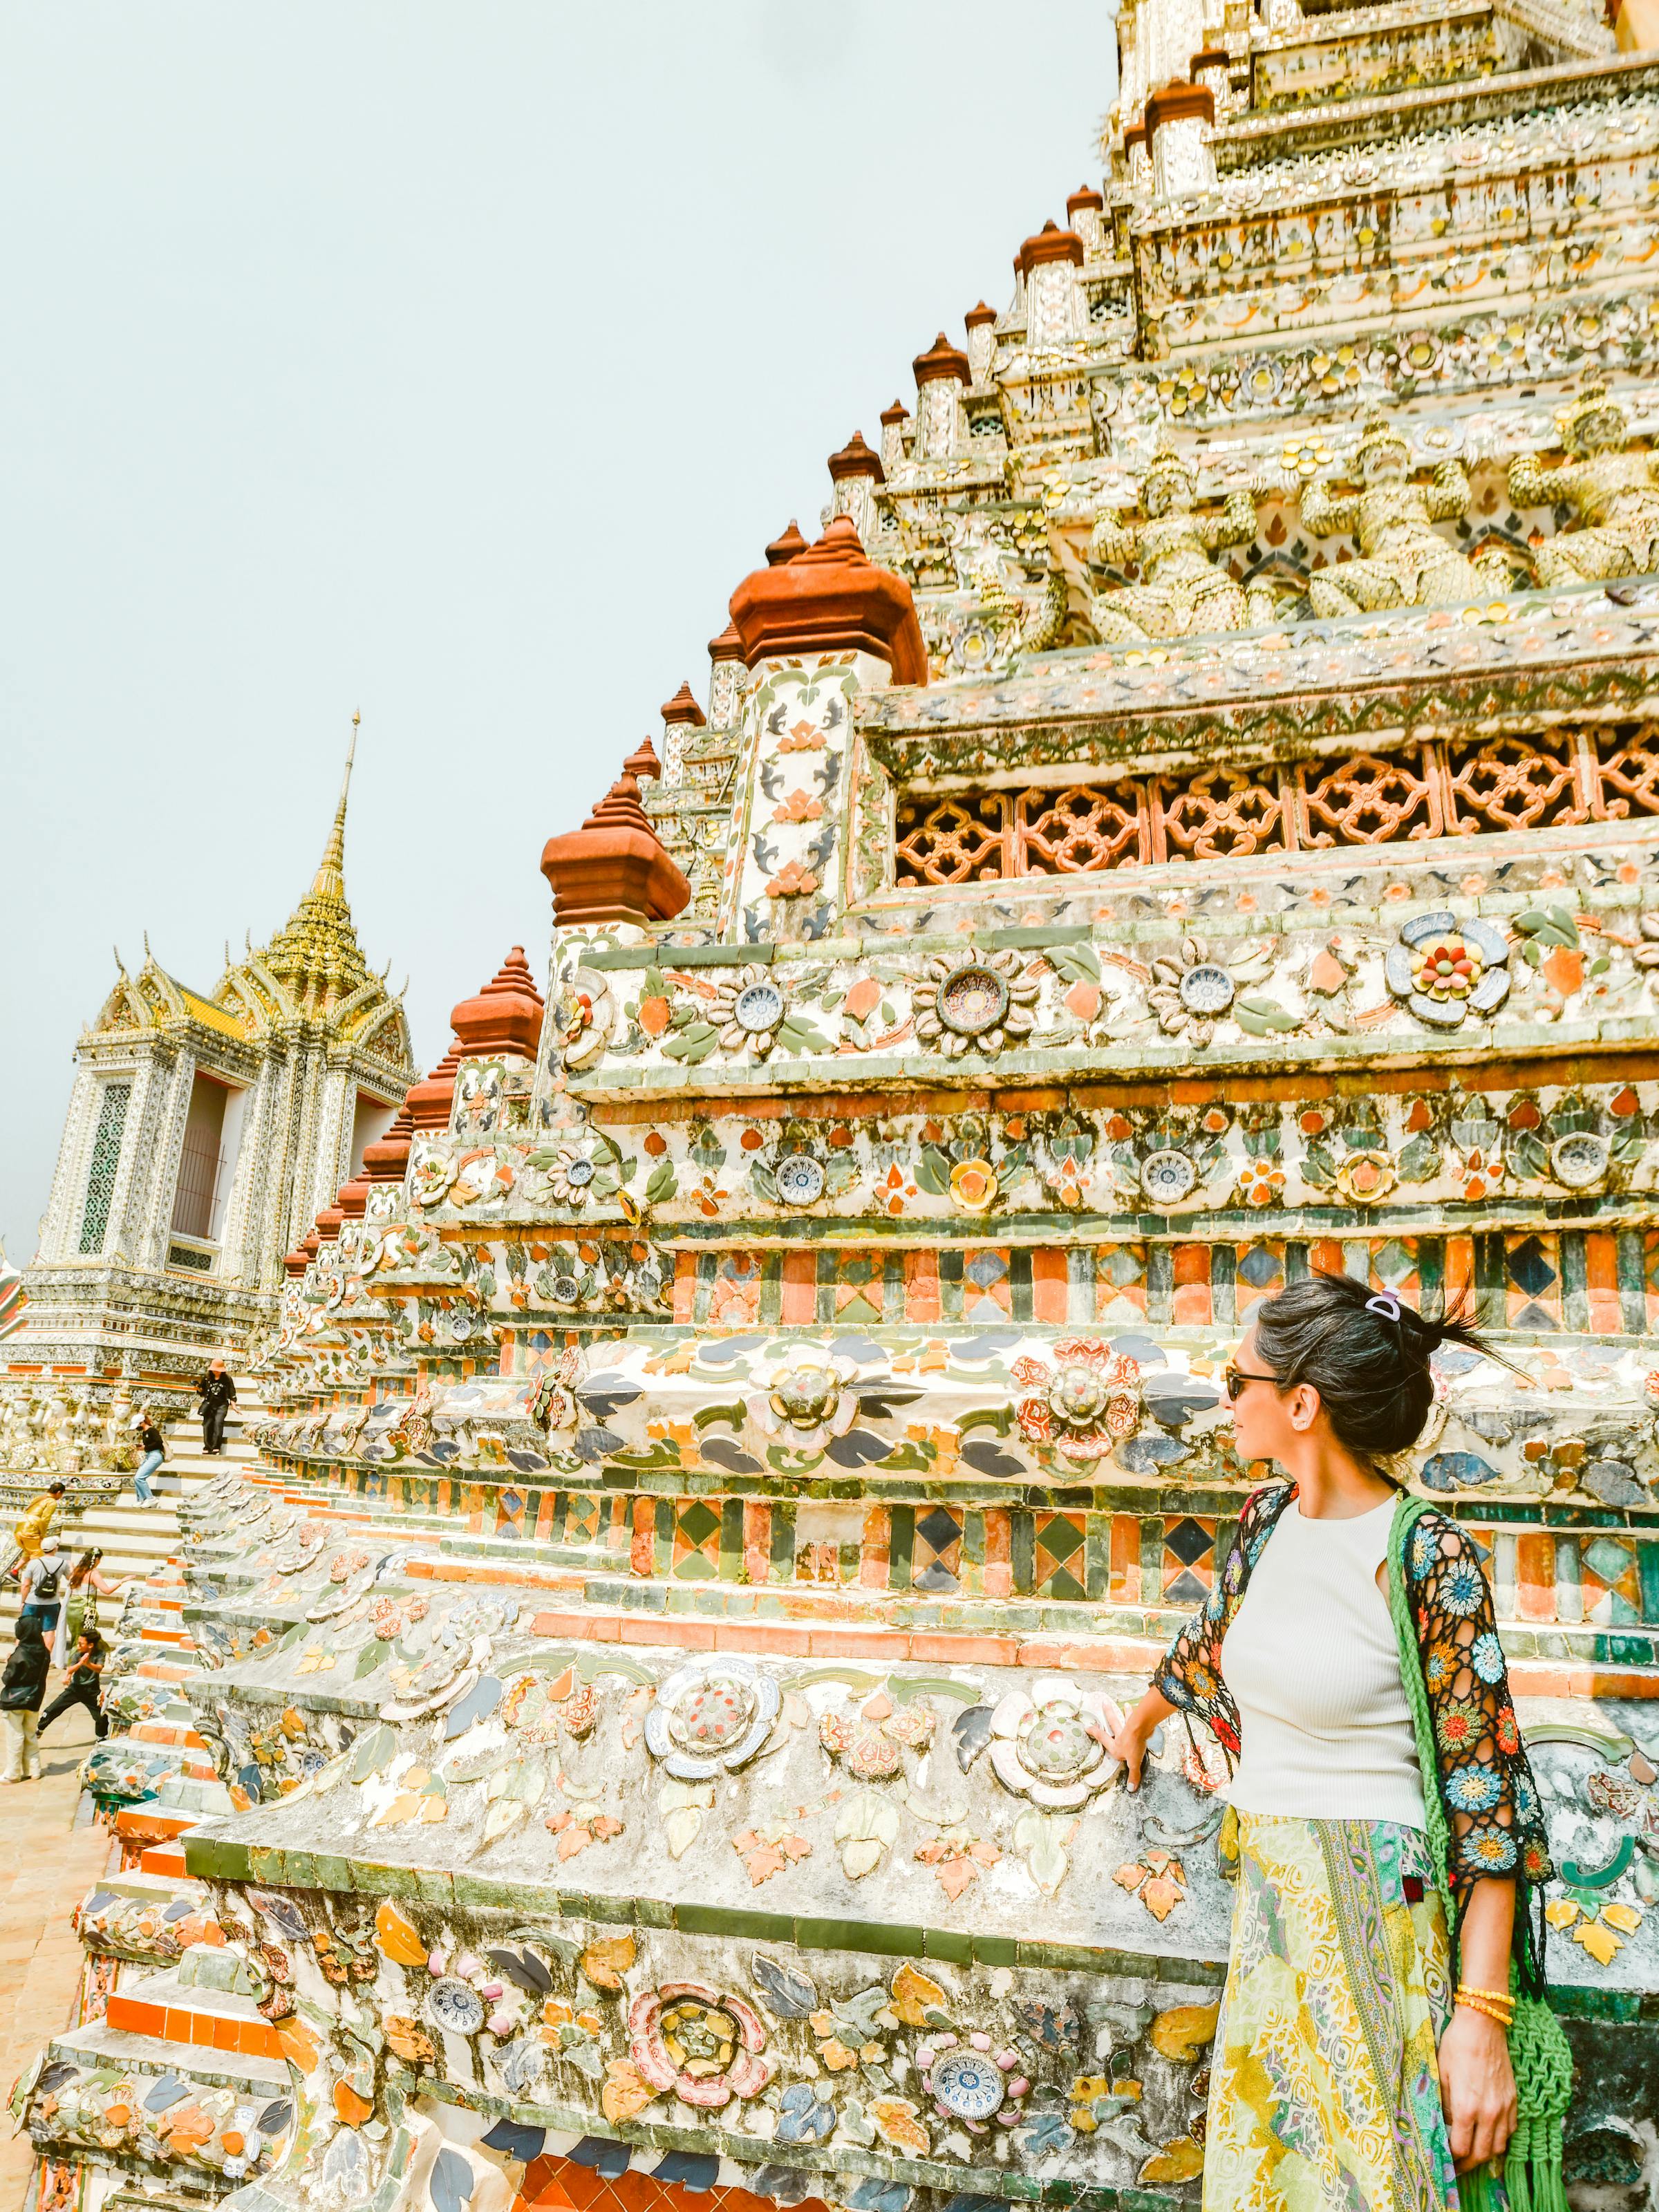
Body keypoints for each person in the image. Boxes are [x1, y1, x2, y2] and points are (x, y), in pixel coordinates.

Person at [1105, 1273, 1569, 2212]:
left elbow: (1488, 1796)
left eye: (1238, 1382)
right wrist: (1142, 1719)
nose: (1224, 1400)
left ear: (1302, 1404)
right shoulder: (1265, 1522)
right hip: (1272, 1915)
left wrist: (1480, 2022)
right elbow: (1214, 1643)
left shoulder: (1426, 1555)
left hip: (1382, 1919)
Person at [50, 1548, 129, 1669]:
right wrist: (121, 1582)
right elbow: (107, 1590)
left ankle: (78, 1665)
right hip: (85, 1610)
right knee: (82, 1640)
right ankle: (75, 1667)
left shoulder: (77, 1571)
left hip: (72, 1609)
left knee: (76, 1638)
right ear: (96, 1560)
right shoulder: (93, 1574)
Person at [0, 1615, 50, 1783]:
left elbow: (8, 1678)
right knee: (30, 1734)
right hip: (35, 1698)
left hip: (16, 1700)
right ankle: (34, 1770)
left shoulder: (20, 1652)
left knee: (15, 1736)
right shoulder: (44, 1652)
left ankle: (13, 1773)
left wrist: (9, 1662)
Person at [37, 1629, 108, 1743]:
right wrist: (80, 1664)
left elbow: (99, 1669)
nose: (78, 1645)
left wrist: (88, 1664)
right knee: (53, 1709)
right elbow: (70, 1669)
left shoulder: (99, 1654)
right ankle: (40, 1728)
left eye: (81, 1643)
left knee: (101, 1716)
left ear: (90, 1645)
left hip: (92, 1691)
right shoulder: (77, 1653)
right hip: (75, 1689)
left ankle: (101, 1737)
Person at [17, 1535, 67, 1640]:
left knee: (24, 1629)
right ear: (55, 1548)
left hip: (32, 1601)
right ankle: (47, 1655)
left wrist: (23, 1601)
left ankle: (20, 1654)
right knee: (49, 1631)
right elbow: (71, 1579)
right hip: (52, 1602)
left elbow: (26, 1585)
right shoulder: (63, 1563)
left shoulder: (33, 1563)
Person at [11, 1477, 67, 1563]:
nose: (61, 1497)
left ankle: (14, 1572)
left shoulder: (39, 1498)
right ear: (59, 1493)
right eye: (62, 1494)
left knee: (28, 1552)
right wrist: (42, 1535)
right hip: (30, 1530)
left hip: (19, 1528)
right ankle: (34, 1576)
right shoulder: (52, 1502)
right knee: (38, 1554)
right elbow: (45, 1519)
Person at [195, 1358, 236, 1456]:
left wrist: (234, 1405)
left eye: (218, 1371)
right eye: (215, 1370)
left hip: (221, 1405)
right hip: (209, 1404)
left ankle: (216, 1446)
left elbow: (232, 1393)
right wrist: (197, 1388)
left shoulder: (227, 1379)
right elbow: (202, 1392)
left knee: (218, 1423)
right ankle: (207, 1446)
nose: (216, 1372)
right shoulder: (207, 1378)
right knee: (207, 1425)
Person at [132, 1408, 166, 1504]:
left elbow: (159, 1442)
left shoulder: (152, 1431)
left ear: (142, 1422)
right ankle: (141, 1499)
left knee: (140, 1477)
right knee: (137, 1477)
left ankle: (150, 1498)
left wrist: (145, 1447)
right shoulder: (144, 1432)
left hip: (155, 1456)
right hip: (149, 1455)